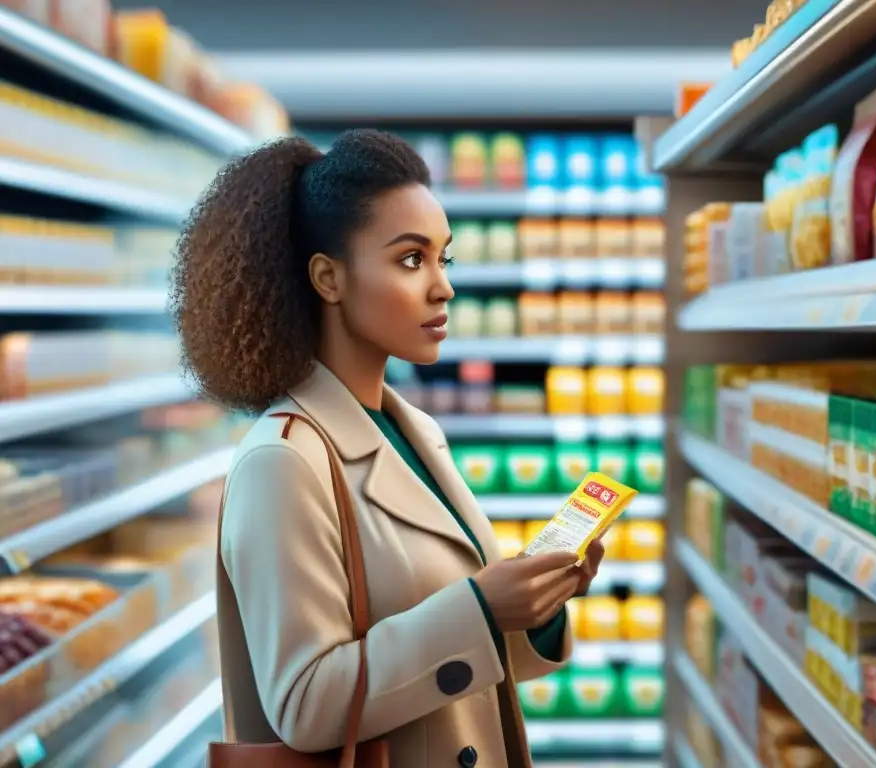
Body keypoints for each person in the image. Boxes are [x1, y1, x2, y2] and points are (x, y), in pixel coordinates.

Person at [171, 128, 605, 767]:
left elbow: (464, 652)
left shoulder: (414, 432)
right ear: (328, 279)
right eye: (410, 260)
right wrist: (483, 606)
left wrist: (534, 604)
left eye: (443, 258)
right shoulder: (282, 461)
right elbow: (305, 704)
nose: (442, 288)